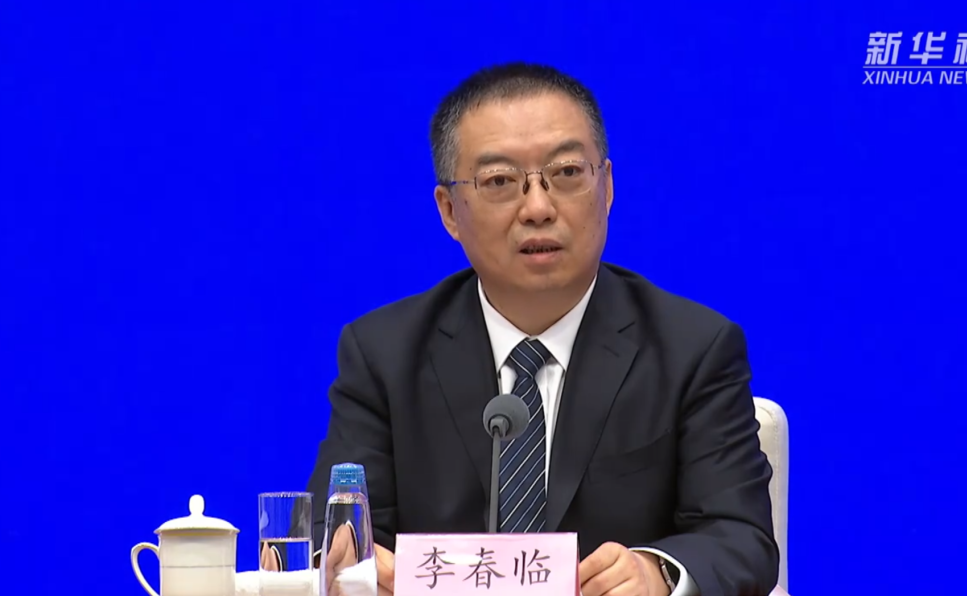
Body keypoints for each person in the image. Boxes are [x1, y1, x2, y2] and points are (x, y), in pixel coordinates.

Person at [305, 62, 779, 596]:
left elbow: (740, 537)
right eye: (500, 181)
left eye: (567, 173)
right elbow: (339, 529)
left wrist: (657, 572)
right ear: (450, 211)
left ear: (607, 187)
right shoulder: (384, 355)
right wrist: (353, 566)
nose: (537, 207)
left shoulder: (692, 349)